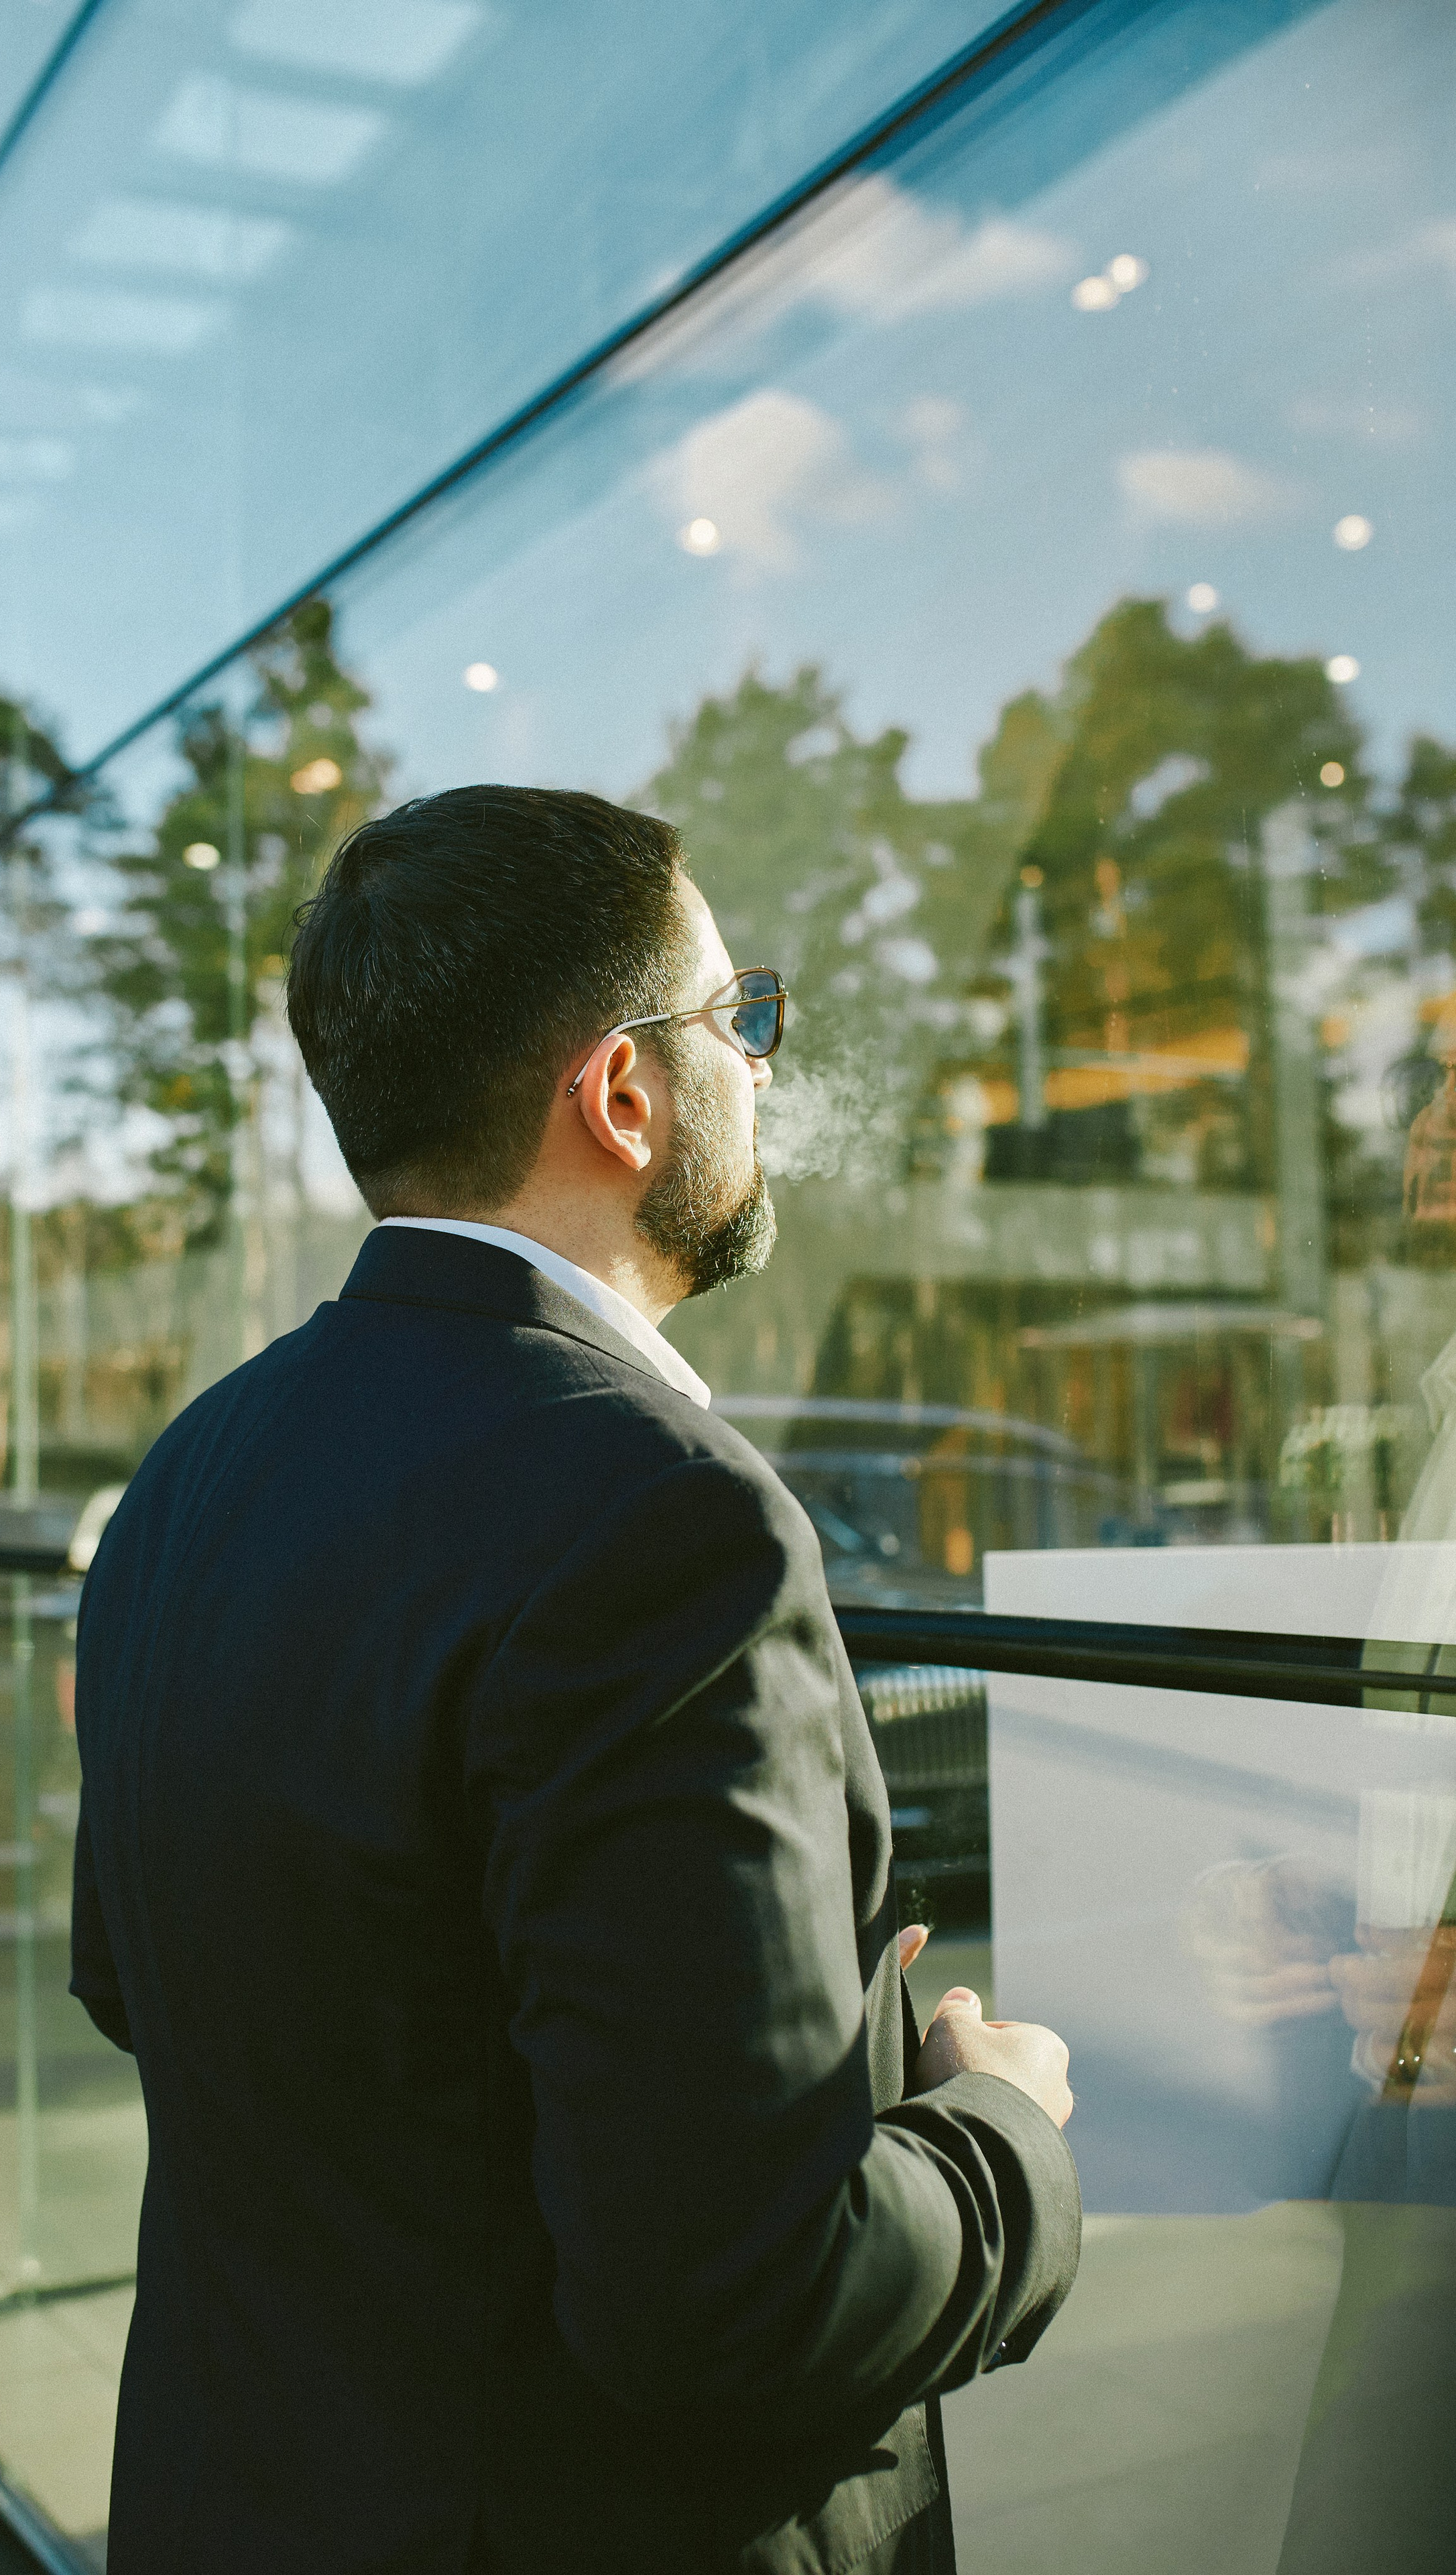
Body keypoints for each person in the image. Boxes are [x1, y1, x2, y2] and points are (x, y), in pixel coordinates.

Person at [70, 785, 1080, 2575]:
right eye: (737, 1016)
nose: (758, 1066)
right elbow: (749, 2299)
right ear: (625, 1094)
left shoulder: (193, 1472)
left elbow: (158, 1986)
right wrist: (1001, 2123)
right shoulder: (663, 1519)